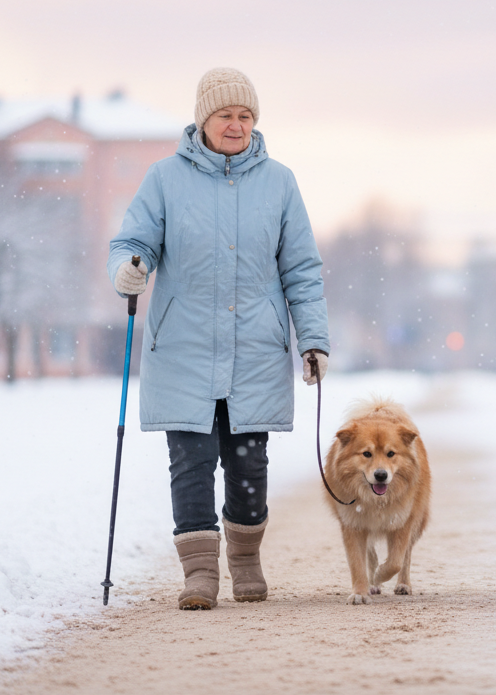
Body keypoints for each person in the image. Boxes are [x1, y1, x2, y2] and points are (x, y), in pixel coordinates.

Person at [107, 68, 329, 610]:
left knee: (249, 461)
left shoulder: (280, 182)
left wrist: (313, 339)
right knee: (191, 460)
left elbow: (301, 267)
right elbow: (134, 240)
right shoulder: (164, 178)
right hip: (181, 347)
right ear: (203, 119)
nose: (236, 125)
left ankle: (246, 560)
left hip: (255, 348)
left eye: (245, 116)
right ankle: (200, 574)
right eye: (226, 115)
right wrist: (128, 270)